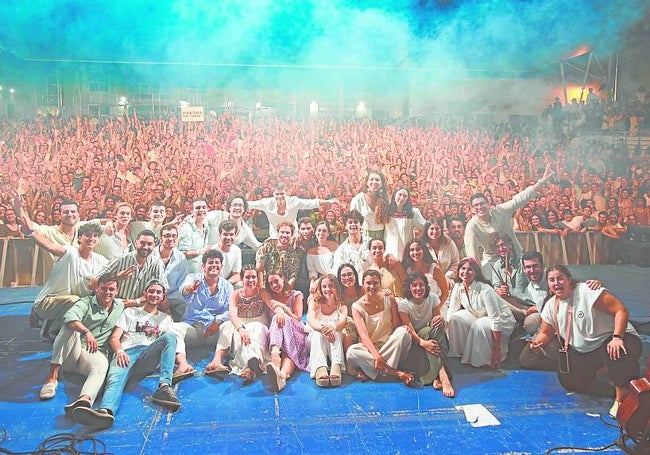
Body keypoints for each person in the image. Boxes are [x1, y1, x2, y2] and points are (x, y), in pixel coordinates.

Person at [529, 265, 642, 416]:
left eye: (560, 278)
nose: (556, 283)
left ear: (569, 280)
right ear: (548, 285)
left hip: (617, 338)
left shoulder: (587, 291)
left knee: (615, 351)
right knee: (569, 381)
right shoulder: (551, 305)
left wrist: (617, 337)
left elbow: (621, 310)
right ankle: (612, 379)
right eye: (552, 280)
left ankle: (622, 398)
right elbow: (545, 332)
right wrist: (537, 343)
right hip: (588, 350)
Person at [71, 279, 181, 429]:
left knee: (170, 337)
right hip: (127, 352)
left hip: (147, 354)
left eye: (158, 292)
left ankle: (164, 386)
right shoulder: (130, 312)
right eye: (151, 291)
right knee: (115, 379)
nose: (154, 295)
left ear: (162, 297)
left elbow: (170, 345)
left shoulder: (165, 318)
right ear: (145, 294)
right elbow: (114, 337)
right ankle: (105, 411)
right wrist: (120, 351)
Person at [38, 273, 125, 420]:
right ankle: (52, 377)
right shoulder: (85, 302)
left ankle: (83, 401)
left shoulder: (119, 305)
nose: (107, 293)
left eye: (111, 289)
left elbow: (138, 301)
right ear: (97, 288)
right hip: (73, 352)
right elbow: (69, 317)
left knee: (102, 366)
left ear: (116, 291)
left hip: (93, 354)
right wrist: (86, 331)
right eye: (104, 288)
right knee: (69, 326)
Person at [464, 165, 553, 271]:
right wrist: (478, 274)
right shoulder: (472, 225)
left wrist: (541, 181)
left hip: (515, 255)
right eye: (476, 205)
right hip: (492, 260)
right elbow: (471, 252)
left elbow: (521, 198)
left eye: (482, 204)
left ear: (488, 203)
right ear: (472, 209)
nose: (480, 207)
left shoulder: (501, 210)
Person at [29, 223, 108, 339]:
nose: (92, 239)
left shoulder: (101, 260)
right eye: (88, 235)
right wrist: (30, 233)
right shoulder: (70, 252)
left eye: (95, 236)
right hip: (48, 302)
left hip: (72, 303)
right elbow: (50, 246)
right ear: (79, 238)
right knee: (76, 301)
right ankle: (53, 329)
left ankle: (50, 326)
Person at [346, 270, 415, 387]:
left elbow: (396, 326)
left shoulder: (389, 298)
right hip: (370, 348)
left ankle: (372, 370)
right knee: (351, 352)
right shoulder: (357, 307)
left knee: (404, 332)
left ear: (380, 284)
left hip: (390, 345)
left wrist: (401, 333)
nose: (372, 286)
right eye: (368, 283)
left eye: (375, 283)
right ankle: (396, 373)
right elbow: (364, 336)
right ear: (363, 284)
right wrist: (376, 356)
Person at [173, 249, 233, 378]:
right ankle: (183, 365)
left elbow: (230, 311)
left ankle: (216, 362)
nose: (214, 265)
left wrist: (217, 321)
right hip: (193, 328)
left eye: (217, 263)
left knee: (230, 326)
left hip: (213, 331)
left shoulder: (227, 286)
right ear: (203, 266)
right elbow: (183, 290)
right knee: (172, 329)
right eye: (210, 263)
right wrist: (189, 289)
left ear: (221, 267)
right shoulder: (193, 278)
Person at [205, 265, 270, 385]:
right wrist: (241, 329)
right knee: (227, 326)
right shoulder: (235, 294)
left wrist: (281, 311)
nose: (251, 280)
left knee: (256, 333)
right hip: (241, 325)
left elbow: (273, 304)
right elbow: (233, 315)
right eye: (247, 277)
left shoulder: (262, 292)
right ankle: (217, 360)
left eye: (254, 277)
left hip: (258, 326)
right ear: (242, 279)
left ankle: (251, 367)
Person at [446, 257, 516, 368]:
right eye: (463, 268)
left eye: (470, 269)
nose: (465, 272)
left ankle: (484, 359)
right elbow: (451, 312)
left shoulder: (485, 289)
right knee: (455, 318)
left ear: (476, 272)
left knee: (480, 324)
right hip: (479, 315)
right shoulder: (458, 287)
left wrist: (497, 350)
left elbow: (495, 319)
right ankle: (461, 354)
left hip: (502, 319)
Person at [397, 272, 455, 397]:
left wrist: (441, 319)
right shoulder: (404, 304)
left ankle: (438, 375)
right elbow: (410, 329)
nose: (418, 289)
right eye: (414, 285)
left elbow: (436, 319)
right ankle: (443, 376)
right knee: (428, 331)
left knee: (436, 328)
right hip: (416, 341)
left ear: (426, 286)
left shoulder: (433, 298)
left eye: (421, 285)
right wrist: (423, 343)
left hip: (432, 336)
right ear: (409, 287)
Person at [91, 230, 168, 308]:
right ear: (136, 243)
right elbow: (91, 284)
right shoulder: (121, 259)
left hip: (139, 307)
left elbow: (163, 291)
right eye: (142, 243)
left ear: (154, 246)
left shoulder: (156, 263)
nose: (145, 247)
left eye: (149, 244)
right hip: (115, 306)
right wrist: (116, 277)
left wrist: (136, 301)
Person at [262, 270, 308, 392]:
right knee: (288, 354)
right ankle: (281, 376)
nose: (274, 285)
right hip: (278, 335)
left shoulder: (295, 295)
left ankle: (275, 354)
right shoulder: (271, 299)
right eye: (271, 283)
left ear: (283, 279)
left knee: (281, 318)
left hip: (296, 331)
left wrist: (284, 309)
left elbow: (298, 318)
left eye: (276, 281)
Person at [248, 182, 335, 239]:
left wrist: (329, 201)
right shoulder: (267, 203)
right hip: (275, 236)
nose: (280, 196)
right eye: (277, 194)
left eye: (282, 194)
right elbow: (250, 204)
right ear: (273, 194)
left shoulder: (294, 201)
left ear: (287, 193)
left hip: (293, 235)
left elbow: (311, 203)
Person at [306, 274, 348, 387]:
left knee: (337, 333)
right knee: (316, 334)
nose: (327, 289)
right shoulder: (315, 302)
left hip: (334, 339)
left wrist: (332, 327)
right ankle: (320, 367)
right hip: (316, 338)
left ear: (336, 288)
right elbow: (311, 319)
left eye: (331, 286)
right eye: (324, 286)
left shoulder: (342, 306)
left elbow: (343, 322)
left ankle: (336, 365)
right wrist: (323, 330)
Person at [151, 224, 188, 321]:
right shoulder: (151, 256)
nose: (171, 239)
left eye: (173, 236)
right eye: (167, 236)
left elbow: (182, 283)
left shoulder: (181, 257)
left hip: (174, 299)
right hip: (152, 297)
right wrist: (162, 300)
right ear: (160, 238)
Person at [255, 221, 304, 289]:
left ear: (292, 235)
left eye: (287, 233)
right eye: (282, 232)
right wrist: (261, 288)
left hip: (283, 288)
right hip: (265, 284)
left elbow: (293, 277)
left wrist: (286, 292)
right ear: (278, 233)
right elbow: (259, 269)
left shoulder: (295, 252)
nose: (284, 235)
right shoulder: (267, 245)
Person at [401, 239, 449, 307]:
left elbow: (445, 293)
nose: (415, 252)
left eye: (418, 249)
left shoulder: (435, 269)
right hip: (416, 309)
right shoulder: (407, 270)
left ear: (424, 250)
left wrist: (436, 308)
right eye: (412, 250)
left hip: (435, 307)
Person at [383, 187, 425, 261]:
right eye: (400, 195)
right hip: (390, 252)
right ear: (394, 196)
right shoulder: (387, 212)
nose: (402, 198)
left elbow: (424, 227)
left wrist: (417, 240)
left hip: (407, 251)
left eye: (405, 196)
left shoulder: (413, 212)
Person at [330, 210, 371, 280]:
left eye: (356, 222)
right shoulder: (341, 249)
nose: (353, 225)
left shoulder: (371, 243)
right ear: (346, 226)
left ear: (360, 225)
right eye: (350, 222)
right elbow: (336, 269)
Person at [349, 171, 389, 239]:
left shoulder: (385, 199)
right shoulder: (358, 199)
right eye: (371, 179)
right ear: (367, 182)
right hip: (364, 235)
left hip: (382, 235)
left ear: (381, 183)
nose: (374, 182)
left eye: (377, 180)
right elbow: (352, 220)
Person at [178, 199, 210, 273]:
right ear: (192, 211)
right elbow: (181, 254)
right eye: (198, 208)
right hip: (186, 273)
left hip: (200, 272)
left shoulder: (206, 223)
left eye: (204, 207)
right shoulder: (186, 228)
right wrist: (199, 252)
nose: (201, 210)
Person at [423, 217, 460, 282]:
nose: (434, 231)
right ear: (427, 230)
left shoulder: (449, 243)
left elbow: (456, 263)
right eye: (432, 229)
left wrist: (447, 276)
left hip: (448, 279)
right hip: (428, 281)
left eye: (437, 229)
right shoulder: (422, 246)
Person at [306, 221, 339, 289]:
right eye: (319, 230)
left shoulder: (335, 246)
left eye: (324, 231)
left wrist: (319, 281)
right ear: (315, 232)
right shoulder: (311, 251)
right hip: (321, 283)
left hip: (336, 280)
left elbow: (336, 267)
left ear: (328, 233)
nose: (321, 233)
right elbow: (312, 272)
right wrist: (312, 286)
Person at [211, 220, 242, 288]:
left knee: (240, 285)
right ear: (219, 235)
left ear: (235, 235)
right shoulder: (211, 250)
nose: (228, 238)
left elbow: (237, 275)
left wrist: (227, 283)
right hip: (211, 284)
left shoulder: (236, 250)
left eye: (231, 234)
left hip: (226, 283)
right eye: (225, 234)